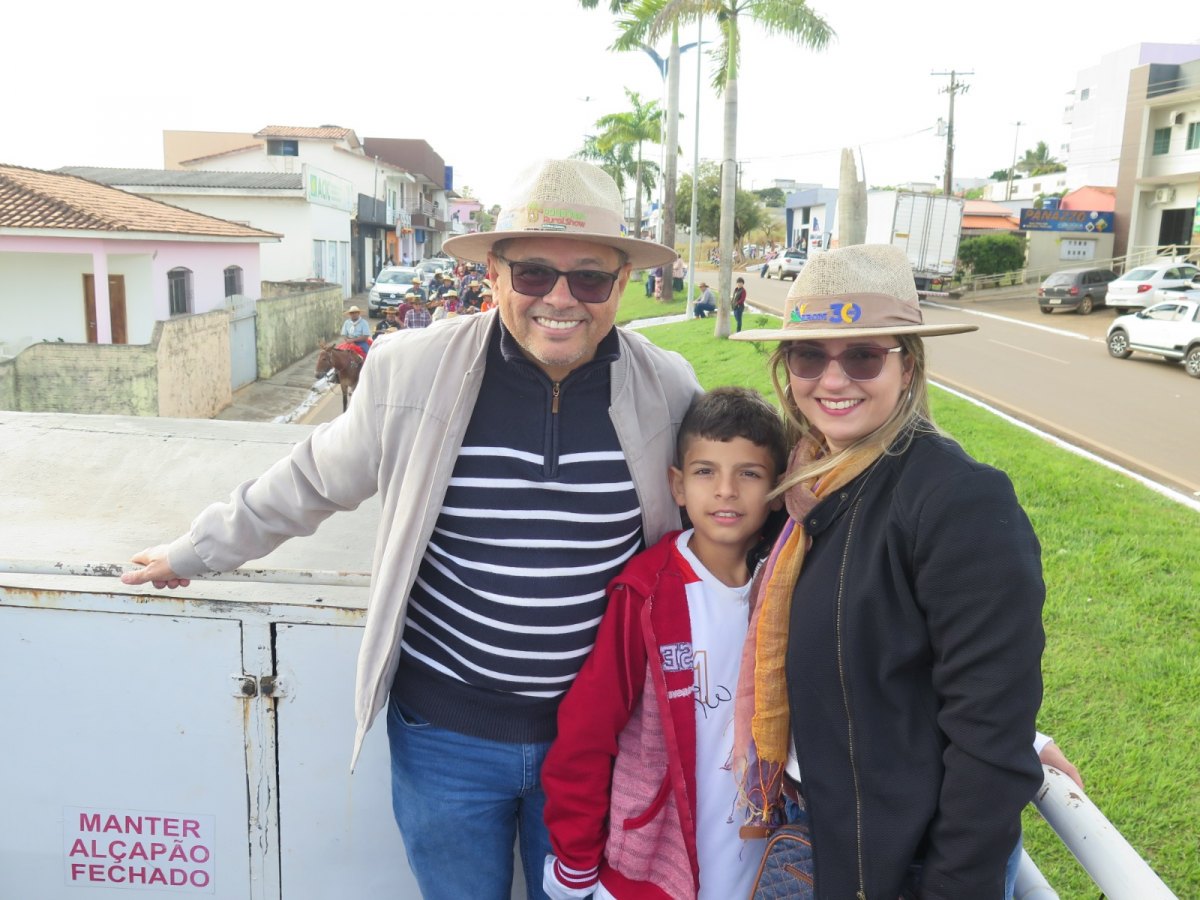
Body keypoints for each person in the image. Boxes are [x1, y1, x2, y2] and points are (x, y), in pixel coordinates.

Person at [118, 157, 701, 900]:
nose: (561, 299)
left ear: (622, 284)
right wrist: (192, 551)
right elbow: (309, 482)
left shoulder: (667, 389)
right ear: (493, 274)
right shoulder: (415, 370)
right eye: (532, 274)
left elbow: (723, 513)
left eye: (589, 278)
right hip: (445, 738)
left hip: (596, 742)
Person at [729, 244, 1045, 899]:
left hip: (898, 861)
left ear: (909, 366)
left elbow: (988, 735)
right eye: (809, 355)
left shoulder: (957, 500)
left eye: (864, 355)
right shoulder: (808, 487)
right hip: (813, 825)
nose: (833, 379)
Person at [541, 387, 788, 900]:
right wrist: (575, 859)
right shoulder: (647, 595)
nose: (725, 490)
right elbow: (587, 731)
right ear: (677, 485)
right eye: (705, 471)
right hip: (652, 871)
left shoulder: (788, 588)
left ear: (777, 487)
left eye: (749, 473)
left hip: (762, 868)